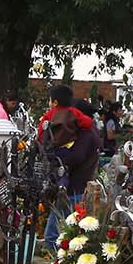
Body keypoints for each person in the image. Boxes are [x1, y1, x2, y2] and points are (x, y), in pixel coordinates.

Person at [42, 107, 100, 250]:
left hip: (73, 191)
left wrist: (58, 156)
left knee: (52, 236)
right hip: (77, 189)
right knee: (68, 236)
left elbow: (76, 157)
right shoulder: (92, 133)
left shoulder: (85, 135)